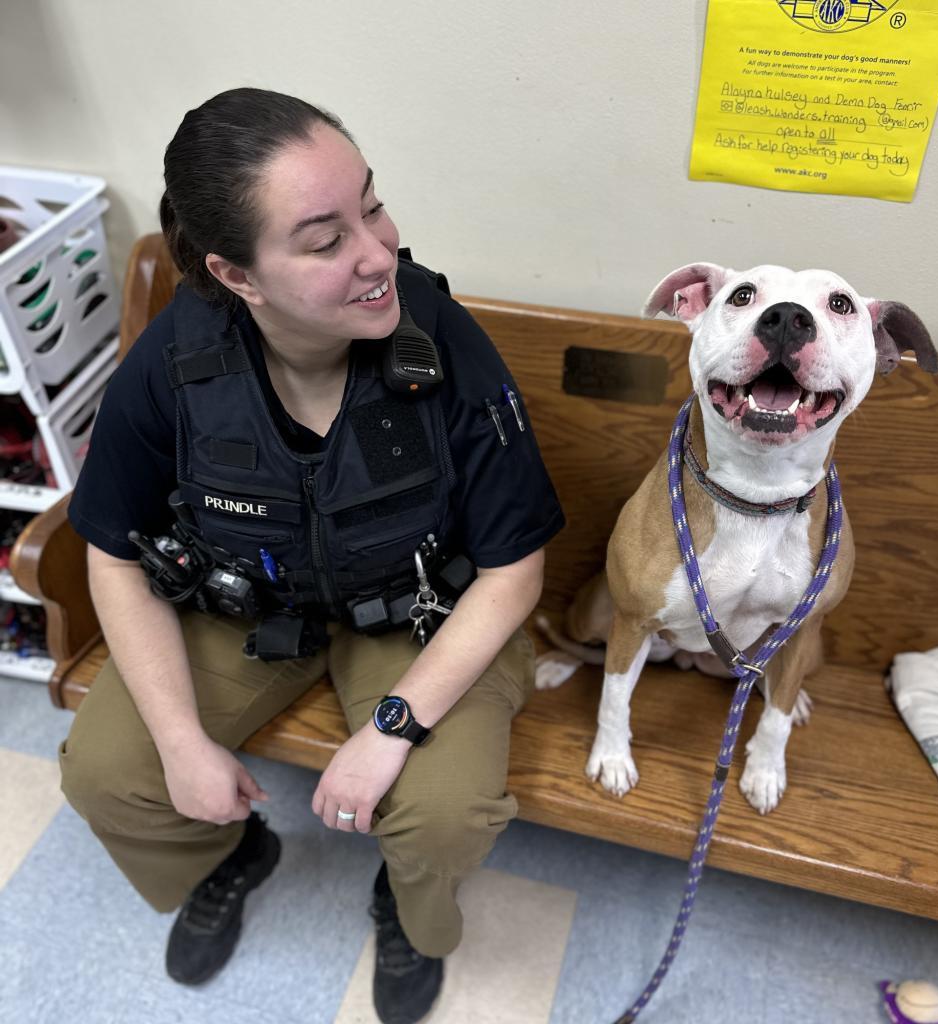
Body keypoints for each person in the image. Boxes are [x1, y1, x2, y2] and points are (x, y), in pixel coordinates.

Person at [59, 87, 564, 1024]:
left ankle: (411, 915)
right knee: (105, 771)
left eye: (371, 204)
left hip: (422, 615)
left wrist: (390, 732)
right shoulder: (175, 362)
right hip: (247, 608)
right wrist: (180, 747)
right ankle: (230, 855)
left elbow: (512, 570)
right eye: (325, 239)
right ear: (237, 274)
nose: (376, 254)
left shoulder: (442, 342)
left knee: (441, 813)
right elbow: (111, 552)